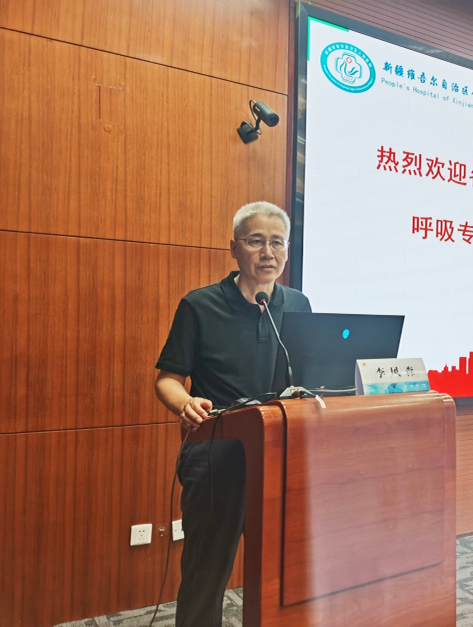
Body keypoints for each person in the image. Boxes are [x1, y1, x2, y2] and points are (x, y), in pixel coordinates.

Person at [154, 201, 310, 626]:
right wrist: (184, 403)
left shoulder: (298, 305)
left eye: (277, 242)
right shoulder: (199, 305)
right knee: (206, 573)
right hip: (215, 457)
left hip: (280, 457)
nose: (268, 252)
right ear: (234, 247)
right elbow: (167, 380)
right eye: (256, 241)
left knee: (282, 574)